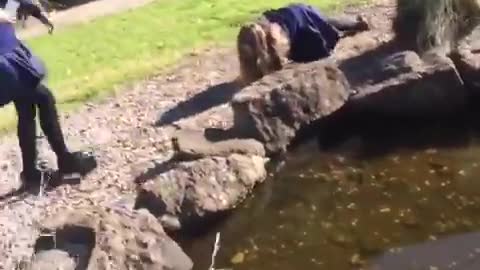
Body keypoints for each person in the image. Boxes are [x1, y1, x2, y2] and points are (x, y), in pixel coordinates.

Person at [0, 0, 96, 192]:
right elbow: (5, 14)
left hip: (9, 55)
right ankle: (64, 162)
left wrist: (35, 11)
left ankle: (31, 174)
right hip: (5, 63)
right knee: (44, 98)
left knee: (27, 109)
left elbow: (12, 4)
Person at [236, 3, 370, 85]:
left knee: (327, 27)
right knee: (326, 22)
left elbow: (279, 62)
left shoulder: (275, 39)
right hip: (293, 14)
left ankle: (357, 24)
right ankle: (355, 24)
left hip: (303, 19)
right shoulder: (255, 37)